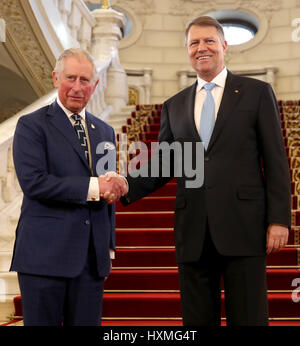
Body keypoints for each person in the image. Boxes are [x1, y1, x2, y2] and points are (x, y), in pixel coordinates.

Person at [118, 16, 291, 326]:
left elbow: (276, 160)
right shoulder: (174, 105)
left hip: (245, 226)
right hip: (193, 229)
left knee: (250, 318)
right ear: (187, 50)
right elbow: (166, 162)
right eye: (194, 43)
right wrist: (124, 184)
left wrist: (279, 219)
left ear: (224, 45)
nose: (202, 48)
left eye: (209, 40)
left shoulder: (256, 92)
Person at [10, 48, 128, 326]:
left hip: (90, 261)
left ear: (95, 86)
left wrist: (116, 185)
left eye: (85, 80)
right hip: (44, 257)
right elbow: (34, 183)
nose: (77, 87)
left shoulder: (105, 131)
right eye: (70, 78)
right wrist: (96, 187)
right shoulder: (31, 125)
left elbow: (105, 186)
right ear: (55, 78)